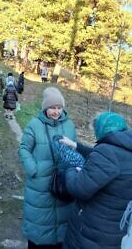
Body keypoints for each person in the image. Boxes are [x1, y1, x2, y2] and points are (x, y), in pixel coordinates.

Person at [59, 111, 132, 249]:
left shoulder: (106, 152)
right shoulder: (126, 148)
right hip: (116, 232)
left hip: (92, 231)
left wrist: (71, 167)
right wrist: (76, 145)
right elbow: (106, 158)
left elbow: (78, 188)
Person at [18, 87, 77, 249]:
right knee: (40, 228)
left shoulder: (70, 126)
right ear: (45, 108)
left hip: (63, 183)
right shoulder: (34, 125)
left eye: (59, 108)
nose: (56, 112)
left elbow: (74, 150)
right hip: (40, 185)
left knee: (61, 229)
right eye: (52, 108)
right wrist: (33, 169)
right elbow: (24, 149)